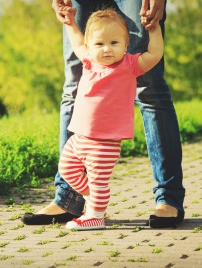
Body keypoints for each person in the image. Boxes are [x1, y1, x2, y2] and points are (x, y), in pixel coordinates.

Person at [22, 0, 185, 229]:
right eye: (99, 44)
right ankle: (71, 200)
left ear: (126, 44)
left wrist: (154, 28)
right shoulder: (89, 58)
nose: (107, 49)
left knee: (151, 89)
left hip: (106, 141)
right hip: (80, 137)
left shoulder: (129, 64)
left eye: (114, 43)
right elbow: (78, 41)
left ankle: (165, 199)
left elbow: (154, 54)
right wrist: (69, 22)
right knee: (72, 87)